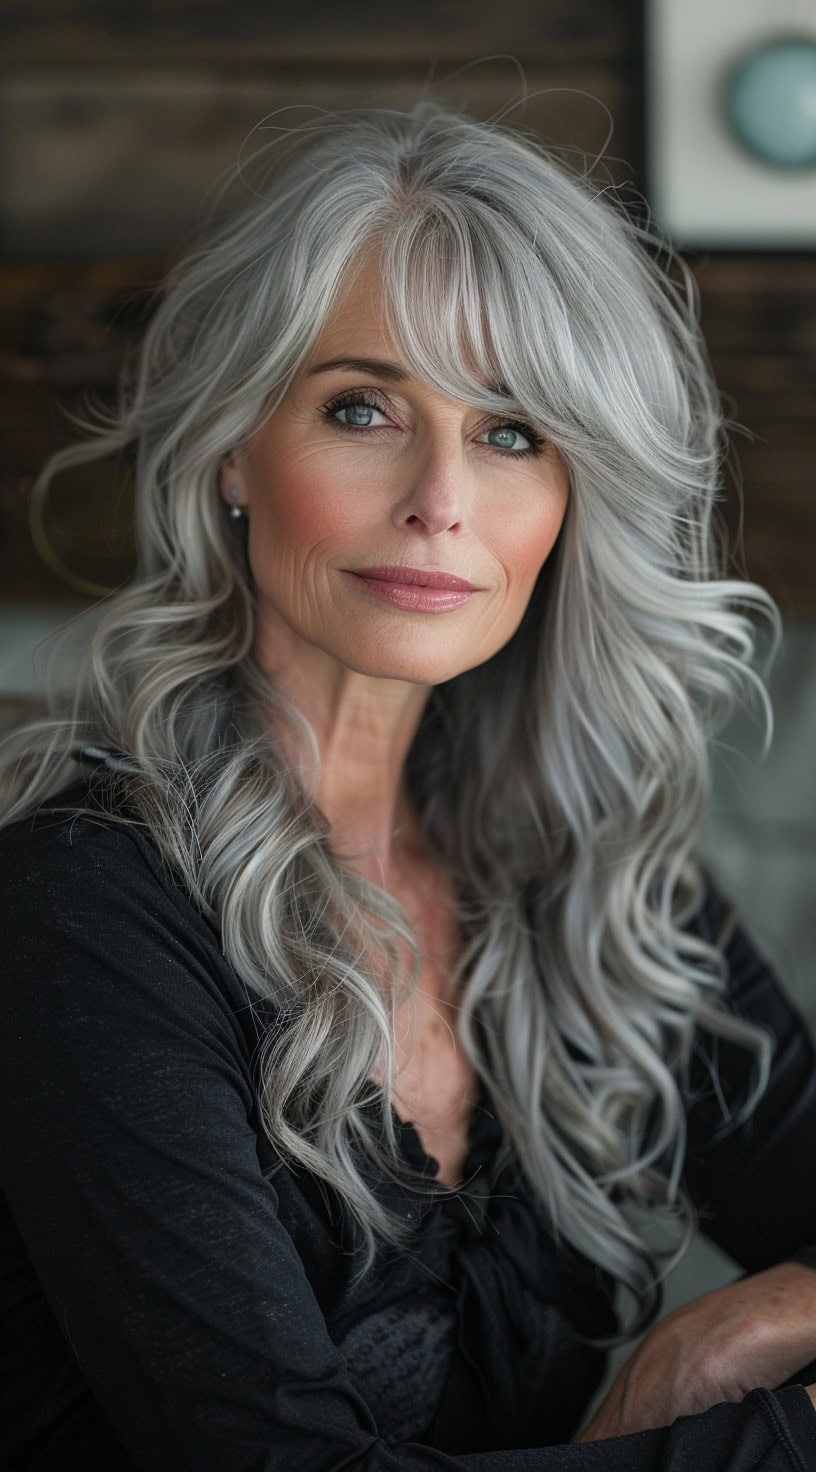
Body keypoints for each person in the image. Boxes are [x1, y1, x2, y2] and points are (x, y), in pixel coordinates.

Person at [1, 99, 815, 1472]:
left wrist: (728, 1335)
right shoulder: (78, 897)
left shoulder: (584, 876)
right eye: (364, 408)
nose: (442, 498)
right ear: (231, 454)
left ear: (573, 499)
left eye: (511, 431)